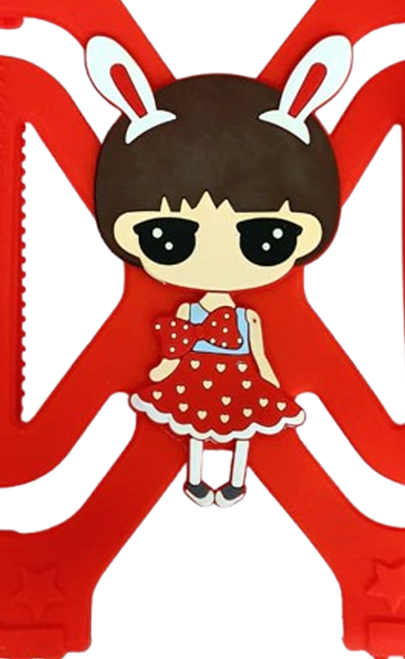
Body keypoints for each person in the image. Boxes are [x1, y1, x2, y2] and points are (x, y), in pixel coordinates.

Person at [88, 35, 349, 506]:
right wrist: (165, 368)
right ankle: (195, 476)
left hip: (240, 381)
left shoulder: (242, 318)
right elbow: (174, 352)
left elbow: (261, 355)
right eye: (167, 238)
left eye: (267, 240)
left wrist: (268, 380)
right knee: (194, 430)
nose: (219, 259)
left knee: (242, 430)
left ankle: (234, 479)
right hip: (197, 381)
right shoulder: (190, 315)